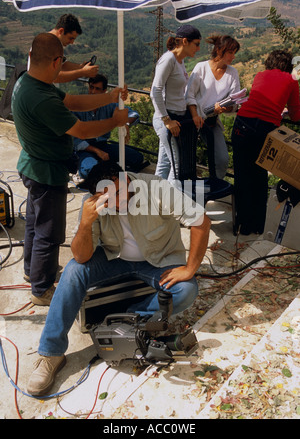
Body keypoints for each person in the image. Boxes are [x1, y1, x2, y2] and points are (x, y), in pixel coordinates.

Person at [26, 160, 211, 396]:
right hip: (114, 258)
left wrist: (190, 269)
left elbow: (201, 222)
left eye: (120, 192)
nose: (117, 202)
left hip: (158, 260)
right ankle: (51, 354)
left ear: (126, 179)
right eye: (107, 198)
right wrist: (85, 222)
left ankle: (125, 321)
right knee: (73, 270)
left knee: (186, 290)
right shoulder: (91, 204)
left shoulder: (156, 188)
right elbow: (81, 257)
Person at [12, 33, 128, 306]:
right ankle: (42, 289)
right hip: (46, 171)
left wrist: (109, 98)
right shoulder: (41, 98)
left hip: (33, 165)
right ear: (57, 61)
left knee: (35, 225)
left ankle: (34, 272)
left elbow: (74, 102)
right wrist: (115, 120)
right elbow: (82, 129)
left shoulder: (32, 83)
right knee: (49, 233)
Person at [231, 50, 300, 235]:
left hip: (242, 123)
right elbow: (296, 115)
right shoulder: (292, 81)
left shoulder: (260, 75)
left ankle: (242, 225)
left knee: (242, 176)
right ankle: (257, 225)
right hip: (264, 129)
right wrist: (283, 111)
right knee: (259, 176)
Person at [150, 25, 201, 182]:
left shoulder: (180, 61)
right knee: (177, 166)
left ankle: (155, 200)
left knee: (164, 163)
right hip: (167, 119)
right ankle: (172, 204)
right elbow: (155, 91)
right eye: (197, 44)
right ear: (185, 41)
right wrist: (167, 121)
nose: (198, 49)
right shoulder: (168, 60)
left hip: (175, 118)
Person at [186, 35, 240, 179]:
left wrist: (225, 108)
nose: (233, 57)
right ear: (219, 49)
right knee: (186, 159)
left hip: (211, 121)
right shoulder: (201, 68)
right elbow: (189, 95)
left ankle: (214, 187)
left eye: (235, 53)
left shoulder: (233, 73)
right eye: (230, 52)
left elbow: (235, 102)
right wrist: (195, 116)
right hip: (192, 119)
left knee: (222, 159)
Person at [73, 74, 145, 178]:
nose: (93, 92)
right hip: (85, 149)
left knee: (137, 158)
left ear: (104, 91)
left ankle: (105, 170)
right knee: (90, 170)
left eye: (97, 89)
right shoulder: (79, 106)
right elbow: (74, 140)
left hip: (103, 145)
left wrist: (125, 122)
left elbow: (134, 114)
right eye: (91, 87)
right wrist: (97, 152)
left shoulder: (109, 105)